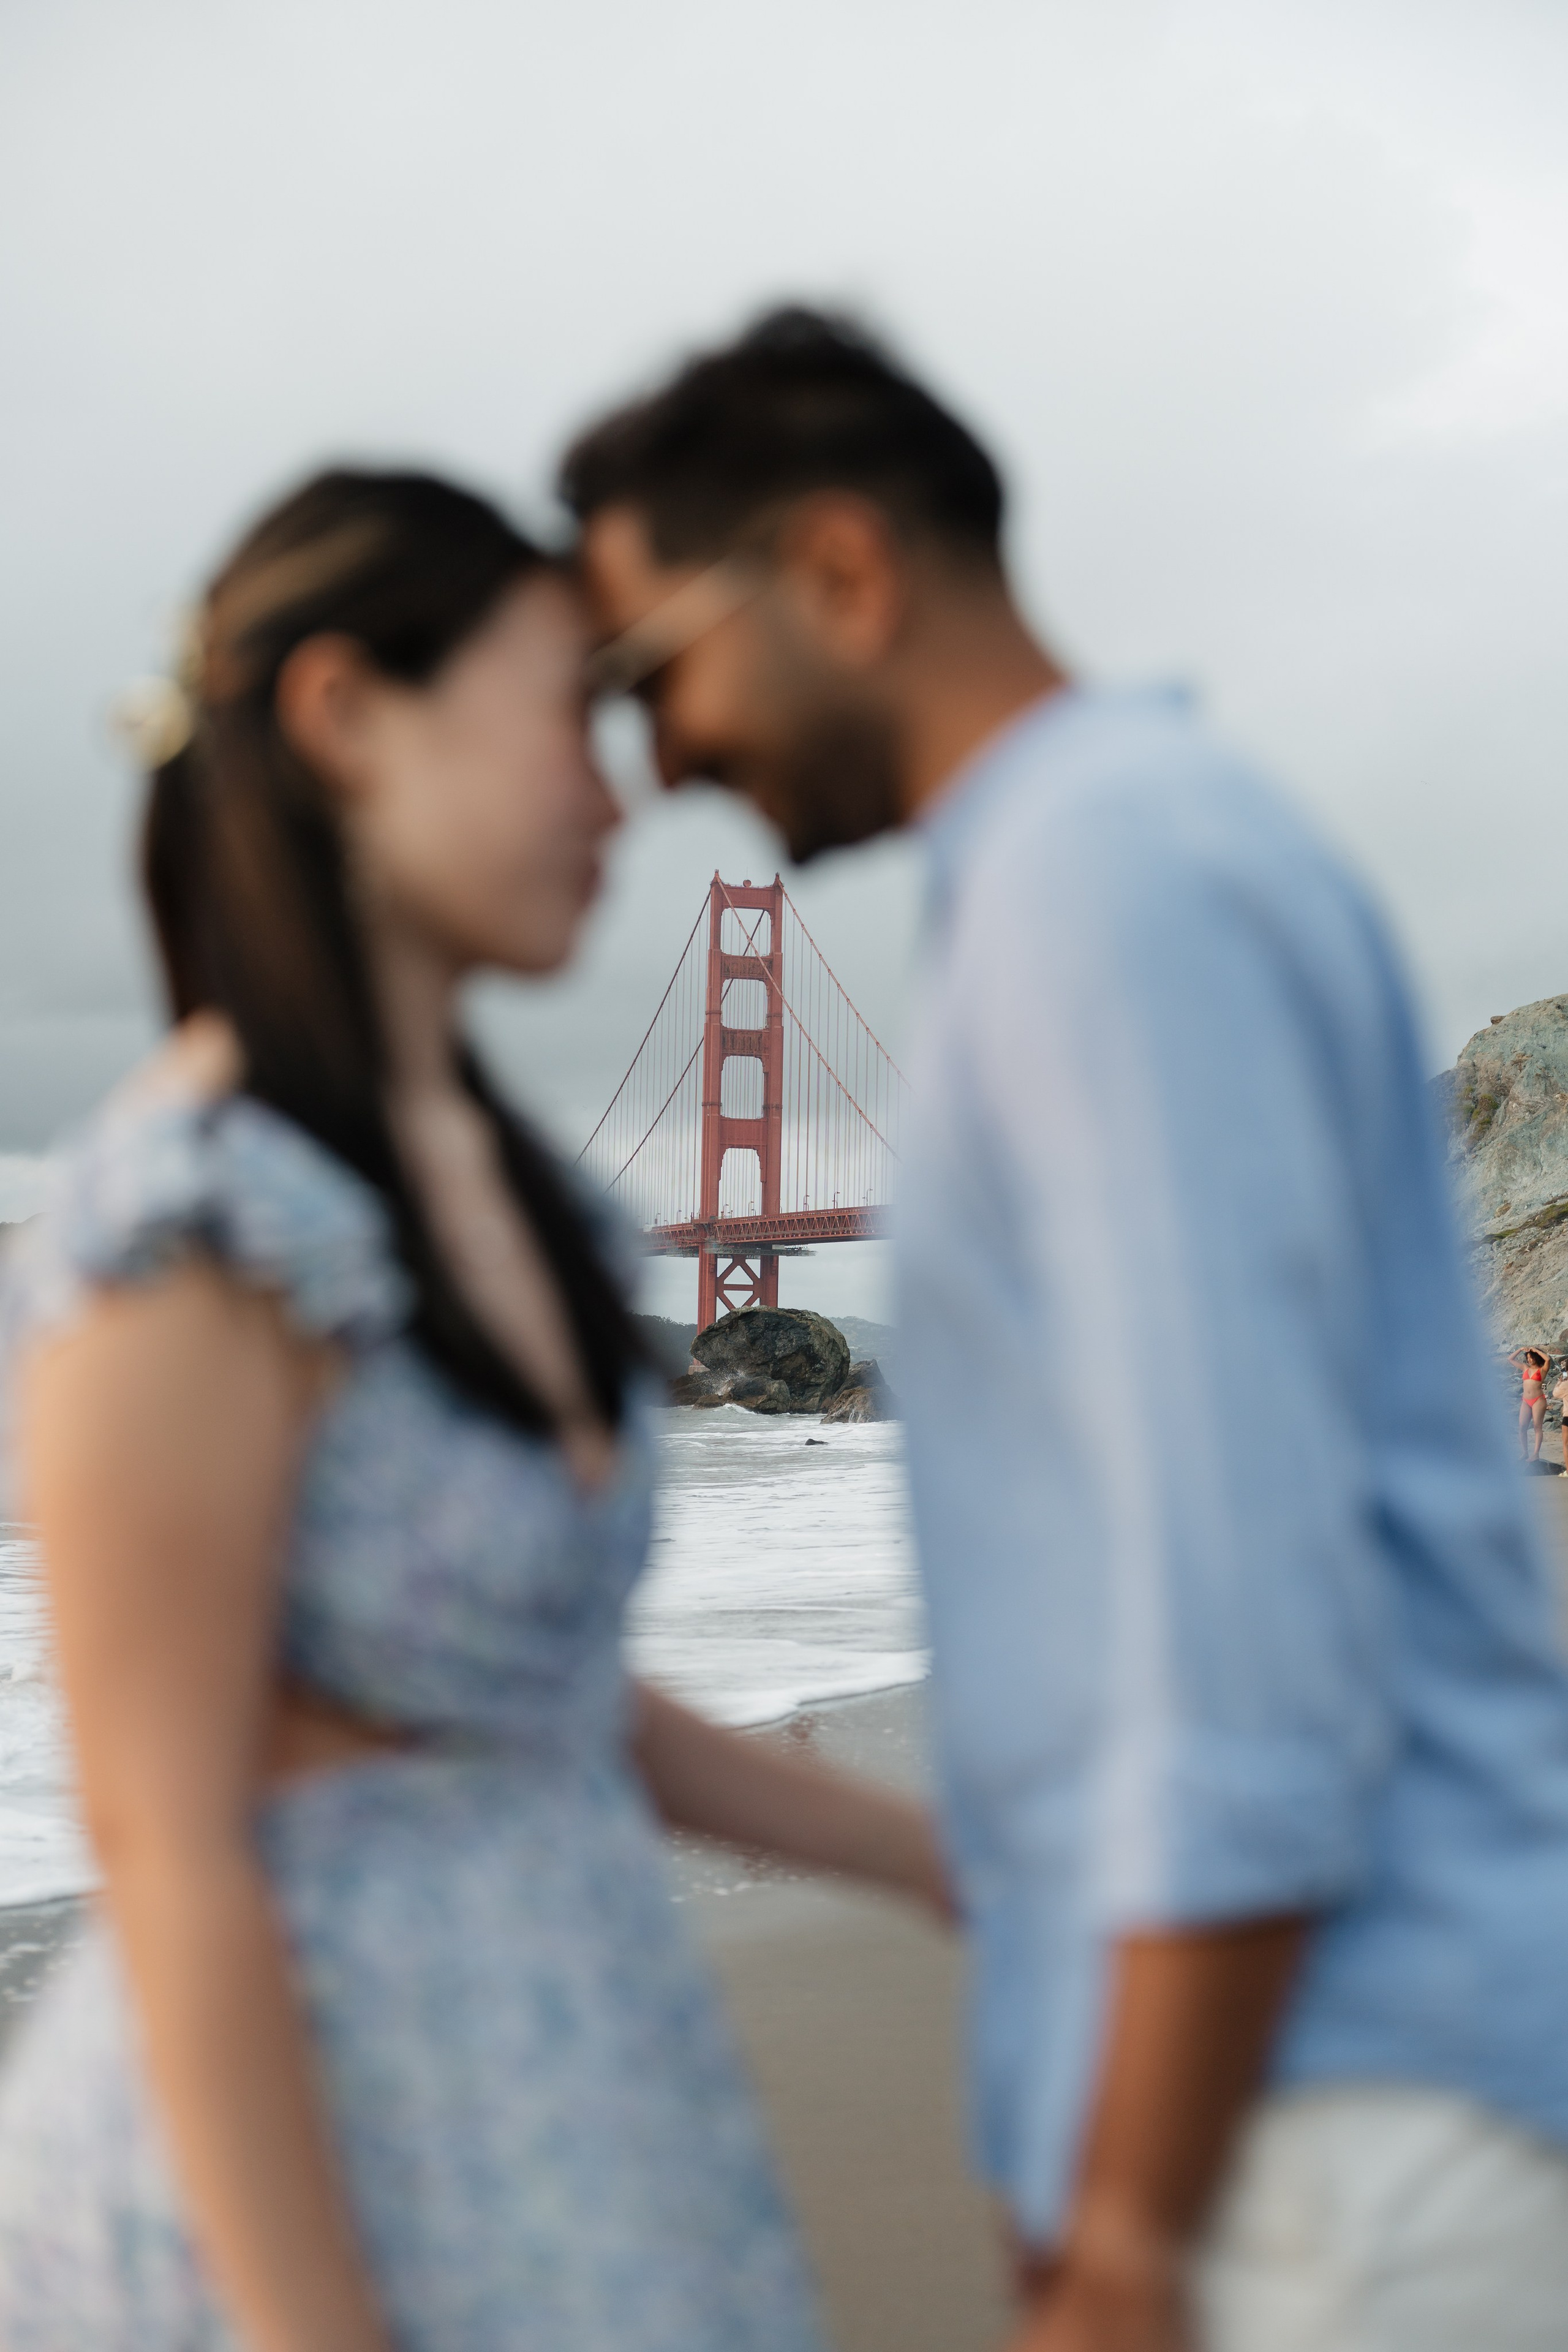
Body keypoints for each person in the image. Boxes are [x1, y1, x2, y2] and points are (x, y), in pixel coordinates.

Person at [562, 309, 1568, 2352]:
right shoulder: (1126, 861)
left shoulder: (1106, 900)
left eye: (655, 668)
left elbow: (1242, 1622)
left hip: (1320, 2139)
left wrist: (1127, 2235)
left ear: (840, 571)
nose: (656, 755)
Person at [0, 467, 951, 2352]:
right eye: (564, 722)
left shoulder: (528, 1202)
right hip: (313, 2178)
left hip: (581, 2095)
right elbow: (175, 1859)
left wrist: (941, 1856)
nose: (623, 793)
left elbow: (537, 1684)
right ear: (347, 712)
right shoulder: (199, 1224)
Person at [1513, 1345, 1551, 1458]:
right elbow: (1510, 1359)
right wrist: (1520, 1350)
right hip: (1525, 1401)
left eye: (1531, 1357)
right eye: (1528, 1358)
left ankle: (1536, 1454)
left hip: (1538, 1400)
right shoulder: (1525, 1368)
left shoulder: (1543, 1369)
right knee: (1522, 1427)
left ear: (1536, 1357)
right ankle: (1525, 1452)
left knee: (1537, 1427)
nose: (1529, 1360)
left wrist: (1536, 1350)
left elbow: (1548, 1359)